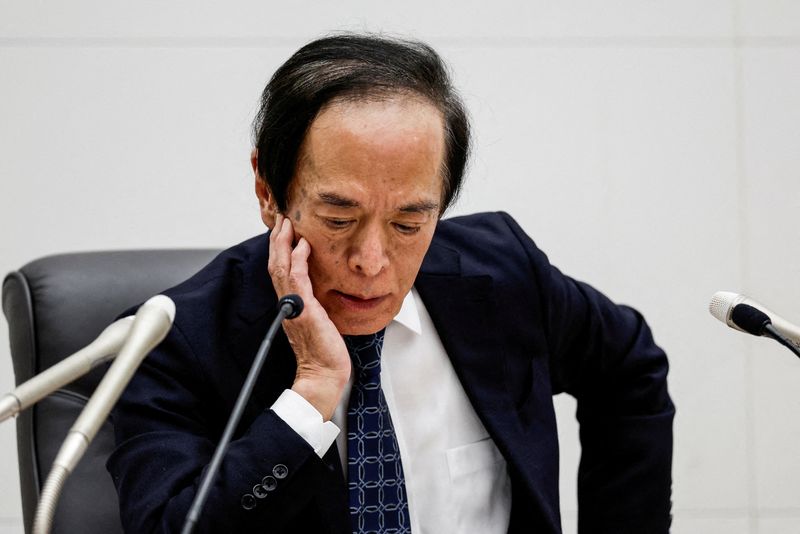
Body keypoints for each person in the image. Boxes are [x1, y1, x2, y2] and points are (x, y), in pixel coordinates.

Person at [107, 34, 674, 534]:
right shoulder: (172, 344)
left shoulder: (503, 275)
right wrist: (312, 393)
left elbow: (629, 366)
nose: (372, 261)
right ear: (268, 190)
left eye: (409, 223)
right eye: (339, 219)